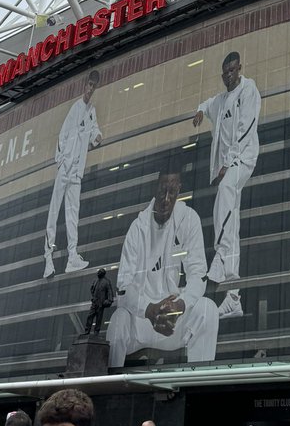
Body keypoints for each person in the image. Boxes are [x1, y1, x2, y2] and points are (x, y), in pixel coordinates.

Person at [106, 164, 219, 367]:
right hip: (142, 321)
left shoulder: (189, 219)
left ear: (179, 191)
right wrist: (150, 309)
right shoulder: (137, 228)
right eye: (162, 192)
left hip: (174, 320)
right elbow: (123, 286)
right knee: (118, 320)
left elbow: (198, 273)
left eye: (172, 192)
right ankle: (112, 385)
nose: (166, 199)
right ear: (154, 189)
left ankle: (196, 386)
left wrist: (179, 305)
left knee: (207, 309)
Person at [192, 51, 261, 319]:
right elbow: (208, 102)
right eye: (225, 73)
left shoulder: (249, 89)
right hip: (227, 166)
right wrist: (199, 109)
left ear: (239, 69)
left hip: (243, 158)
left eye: (232, 71)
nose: (229, 76)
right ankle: (234, 297)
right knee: (231, 224)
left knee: (225, 192)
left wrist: (229, 161)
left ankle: (220, 257)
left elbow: (246, 128)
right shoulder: (220, 100)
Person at [43, 70, 102, 277]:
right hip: (66, 168)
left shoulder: (91, 111)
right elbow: (63, 136)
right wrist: (61, 161)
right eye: (89, 84)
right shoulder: (75, 108)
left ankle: (72, 256)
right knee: (54, 211)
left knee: (72, 214)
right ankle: (48, 258)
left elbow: (94, 130)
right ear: (85, 85)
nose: (90, 89)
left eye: (94, 86)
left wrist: (97, 137)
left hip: (77, 172)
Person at [83, 268, 115, 334]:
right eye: (98, 272)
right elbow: (92, 289)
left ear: (103, 274)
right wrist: (93, 297)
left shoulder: (106, 282)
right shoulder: (95, 280)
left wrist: (109, 300)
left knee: (99, 318)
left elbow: (110, 292)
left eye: (99, 272)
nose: (98, 273)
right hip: (94, 302)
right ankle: (87, 330)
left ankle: (96, 331)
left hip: (101, 303)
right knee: (90, 316)